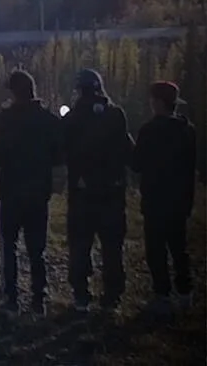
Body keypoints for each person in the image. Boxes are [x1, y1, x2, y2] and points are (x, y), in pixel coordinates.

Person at [0, 69, 63, 316]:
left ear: (13, 92)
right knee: (36, 249)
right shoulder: (48, 120)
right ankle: (38, 298)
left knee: (9, 247)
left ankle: (11, 299)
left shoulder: (3, 120)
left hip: (10, 191)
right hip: (38, 192)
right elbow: (58, 155)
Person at [62, 69, 134, 313]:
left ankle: (81, 296)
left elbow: (61, 152)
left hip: (82, 192)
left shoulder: (72, 118)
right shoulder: (116, 115)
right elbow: (128, 150)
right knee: (112, 248)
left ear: (79, 90)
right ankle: (112, 297)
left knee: (80, 245)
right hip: (112, 192)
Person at [131, 81, 197, 315]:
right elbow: (192, 169)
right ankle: (185, 293)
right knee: (179, 249)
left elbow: (136, 164)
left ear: (158, 102)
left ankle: (162, 294)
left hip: (155, 200)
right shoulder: (187, 130)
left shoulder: (149, 130)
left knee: (156, 249)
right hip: (179, 201)